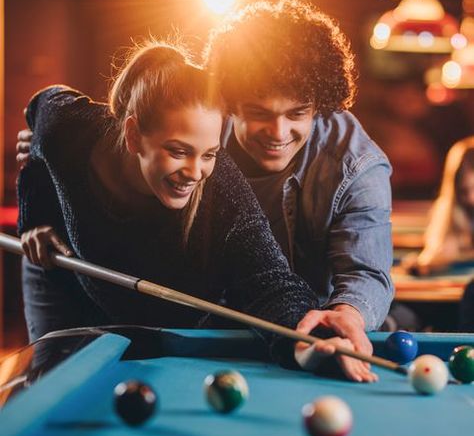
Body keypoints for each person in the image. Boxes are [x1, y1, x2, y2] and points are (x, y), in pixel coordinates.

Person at [17, 40, 375, 382]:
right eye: (177, 151)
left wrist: (306, 338)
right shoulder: (69, 127)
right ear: (132, 135)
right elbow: (40, 110)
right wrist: (35, 222)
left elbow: (270, 283)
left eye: (208, 154)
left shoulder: (221, 191)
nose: (194, 172)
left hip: (161, 318)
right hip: (66, 281)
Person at [203, 0, 393, 358]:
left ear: (319, 104)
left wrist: (345, 316)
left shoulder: (357, 165)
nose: (279, 132)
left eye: (297, 113)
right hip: (213, 326)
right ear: (230, 104)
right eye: (260, 113)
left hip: (311, 330)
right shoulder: (204, 138)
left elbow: (366, 274)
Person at [403, 137, 474, 275]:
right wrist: (424, 264)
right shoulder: (453, 212)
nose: (472, 199)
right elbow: (438, 253)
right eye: (465, 191)